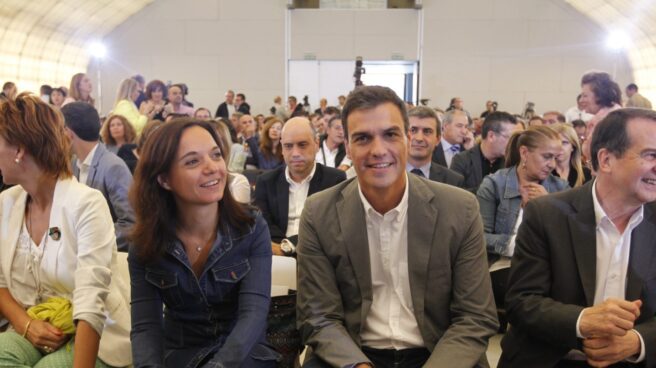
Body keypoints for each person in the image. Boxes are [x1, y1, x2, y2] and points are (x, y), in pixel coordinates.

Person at [297, 86, 498, 368]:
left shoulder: (459, 208)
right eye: (363, 138)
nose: (378, 150)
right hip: (352, 353)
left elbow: (475, 317)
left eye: (390, 135)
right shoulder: (319, 212)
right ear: (348, 148)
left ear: (407, 139)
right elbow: (318, 316)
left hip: (440, 352)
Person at [498, 108, 656, 368]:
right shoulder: (547, 214)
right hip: (553, 358)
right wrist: (583, 320)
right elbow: (522, 301)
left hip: (632, 360)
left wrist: (638, 341)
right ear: (605, 160)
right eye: (650, 155)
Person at [128, 119, 279, 367]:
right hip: (180, 352)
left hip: (242, 354)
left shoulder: (251, 228)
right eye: (192, 161)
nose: (212, 168)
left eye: (216, 155)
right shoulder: (145, 243)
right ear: (164, 180)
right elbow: (146, 327)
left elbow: (252, 316)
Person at [0, 93, 131, 367]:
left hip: (94, 333)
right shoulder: (6, 202)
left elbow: (91, 304)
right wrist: (26, 325)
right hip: (35, 323)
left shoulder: (87, 204)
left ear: (20, 150)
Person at [476, 125, 569, 330]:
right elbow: (479, 237)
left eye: (556, 158)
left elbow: (568, 239)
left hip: (547, 268)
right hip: (503, 266)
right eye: (547, 157)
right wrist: (517, 246)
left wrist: (548, 205)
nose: (552, 164)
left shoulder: (559, 188)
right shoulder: (494, 184)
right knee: (531, 288)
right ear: (524, 153)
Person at [255, 117, 346, 256]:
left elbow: (330, 229)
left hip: (318, 256)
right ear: (282, 148)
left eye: (302, 145)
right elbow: (264, 226)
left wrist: (288, 247)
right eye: (288, 146)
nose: (296, 153)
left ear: (316, 144)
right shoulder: (266, 182)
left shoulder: (335, 180)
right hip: (275, 257)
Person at [62, 102, 135, 252]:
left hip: (106, 260)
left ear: (68, 134)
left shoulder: (113, 166)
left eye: (58, 131)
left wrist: (89, 242)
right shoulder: (74, 162)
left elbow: (132, 225)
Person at [451, 111, 522, 192]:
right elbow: (455, 195)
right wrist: (491, 187)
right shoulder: (461, 160)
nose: (513, 143)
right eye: (510, 138)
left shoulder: (512, 162)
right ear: (491, 136)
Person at [406, 106, 465, 187]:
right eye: (413, 130)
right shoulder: (386, 175)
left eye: (427, 131)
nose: (419, 138)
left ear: (437, 139)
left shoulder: (453, 181)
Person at [579, 71, 622, 162]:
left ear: (599, 96)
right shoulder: (616, 114)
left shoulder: (607, 121)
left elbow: (591, 151)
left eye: (585, 96)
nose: (581, 100)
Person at [551, 123, 591, 188]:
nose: (560, 148)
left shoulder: (586, 174)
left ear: (573, 146)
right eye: (555, 142)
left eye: (564, 143)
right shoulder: (544, 173)